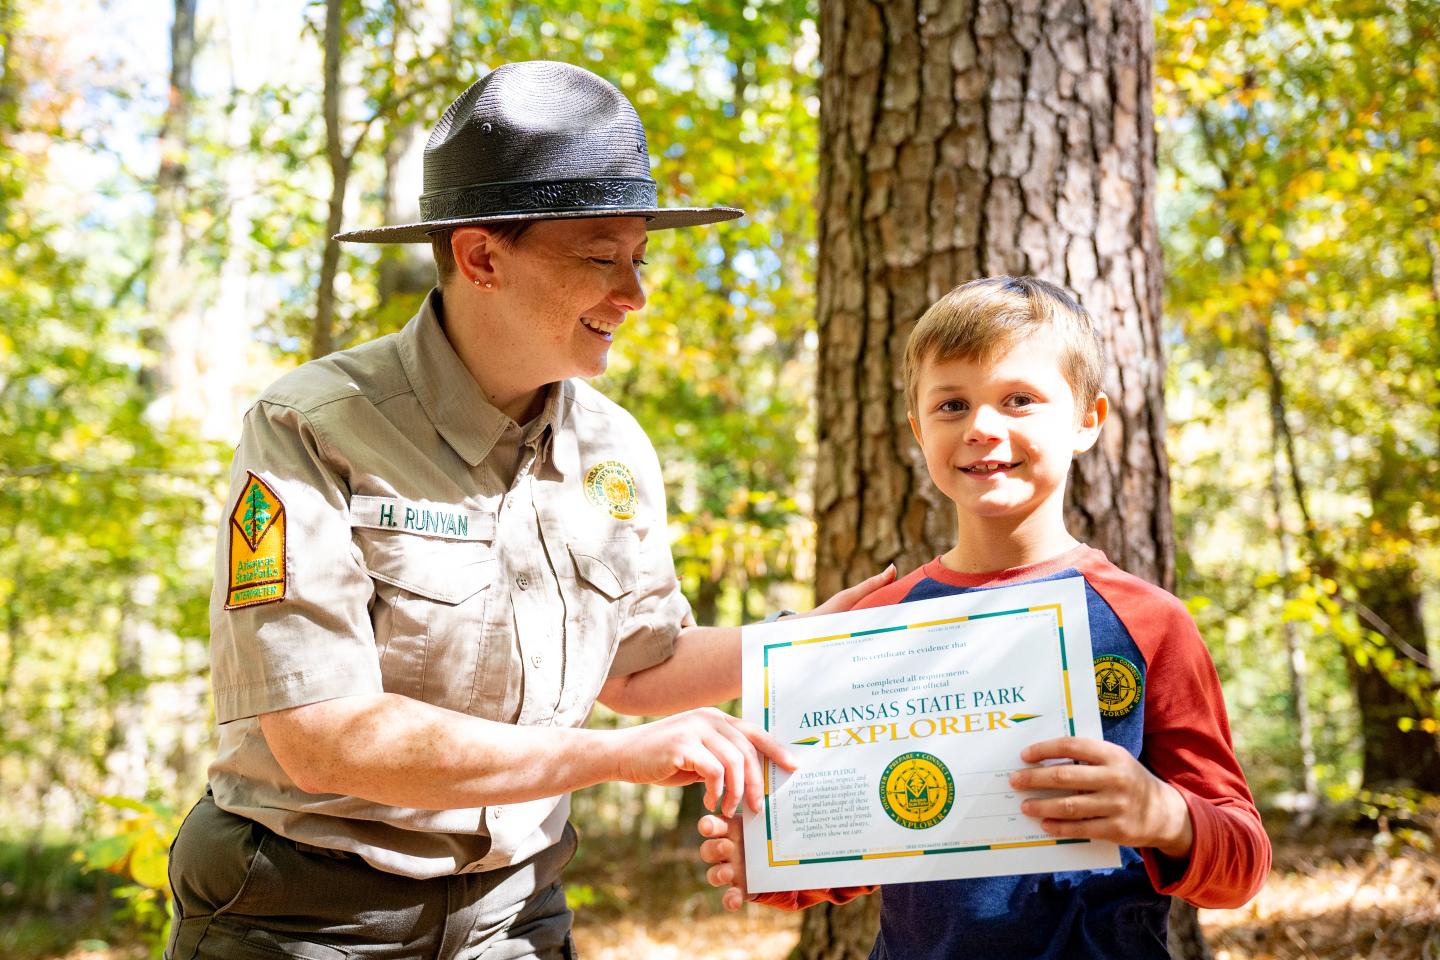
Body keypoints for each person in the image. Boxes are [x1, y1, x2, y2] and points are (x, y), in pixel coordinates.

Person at [166, 61, 890, 960]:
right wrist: (614, 758)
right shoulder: (312, 429)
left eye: (639, 258)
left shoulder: (612, 448)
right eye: (599, 257)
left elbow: (640, 668)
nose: (634, 294)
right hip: (302, 916)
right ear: (480, 256)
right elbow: (322, 739)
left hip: (515, 915)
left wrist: (807, 646)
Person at [697, 276, 1272, 958]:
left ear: (1088, 420)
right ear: (918, 429)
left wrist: (1165, 815)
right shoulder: (878, 622)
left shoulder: (1149, 621)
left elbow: (1243, 863)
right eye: (951, 404)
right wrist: (767, 857)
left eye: (1019, 400)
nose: (981, 428)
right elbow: (852, 834)